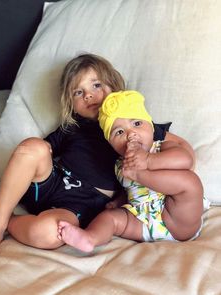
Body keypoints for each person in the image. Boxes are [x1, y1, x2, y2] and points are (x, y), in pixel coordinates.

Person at [0, 54, 195, 255]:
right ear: (71, 103)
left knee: (50, 233)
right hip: (51, 183)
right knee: (33, 147)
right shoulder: (73, 126)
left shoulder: (135, 125)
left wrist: (150, 161)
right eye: (78, 92)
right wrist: (34, 154)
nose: (88, 95)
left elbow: (184, 150)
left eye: (96, 85)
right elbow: (42, 151)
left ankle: (9, 221)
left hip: (80, 204)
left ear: (113, 85)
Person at [57, 90, 206, 253]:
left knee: (190, 182)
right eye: (119, 132)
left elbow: (186, 160)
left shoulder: (161, 147)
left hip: (176, 218)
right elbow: (127, 189)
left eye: (136, 123)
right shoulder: (121, 165)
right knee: (110, 218)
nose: (130, 134)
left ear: (151, 127)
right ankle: (89, 238)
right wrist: (118, 202)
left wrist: (148, 160)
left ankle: (141, 175)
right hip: (141, 220)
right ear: (111, 143)